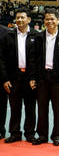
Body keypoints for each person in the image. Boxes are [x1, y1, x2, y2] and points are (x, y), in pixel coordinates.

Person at [31, 8, 59, 146]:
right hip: (42, 78)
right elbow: (34, 59)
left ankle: (57, 136)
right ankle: (42, 135)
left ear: (58, 20)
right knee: (42, 108)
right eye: (47, 19)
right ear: (44, 21)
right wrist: (33, 77)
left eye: (52, 19)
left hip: (58, 79)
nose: (49, 22)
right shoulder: (38, 37)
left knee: (58, 109)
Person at [0, 8, 38, 143]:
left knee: (30, 107)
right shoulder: (8, 36)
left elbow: (38, 59)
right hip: (14, 77)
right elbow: (2, 59)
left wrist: (34, 77)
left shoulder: (36, 36)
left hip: (30, 77)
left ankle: (29, 133)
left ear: (29, 19)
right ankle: (15, 133)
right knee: (15, 107)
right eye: (18, 18)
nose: (20, 20)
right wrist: (5, 79)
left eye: (23, 17)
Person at [0, 24, 9, 139]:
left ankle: (0, 129)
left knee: (1, 104)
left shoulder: (6, 32)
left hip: (1, 75)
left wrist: (6, 77)